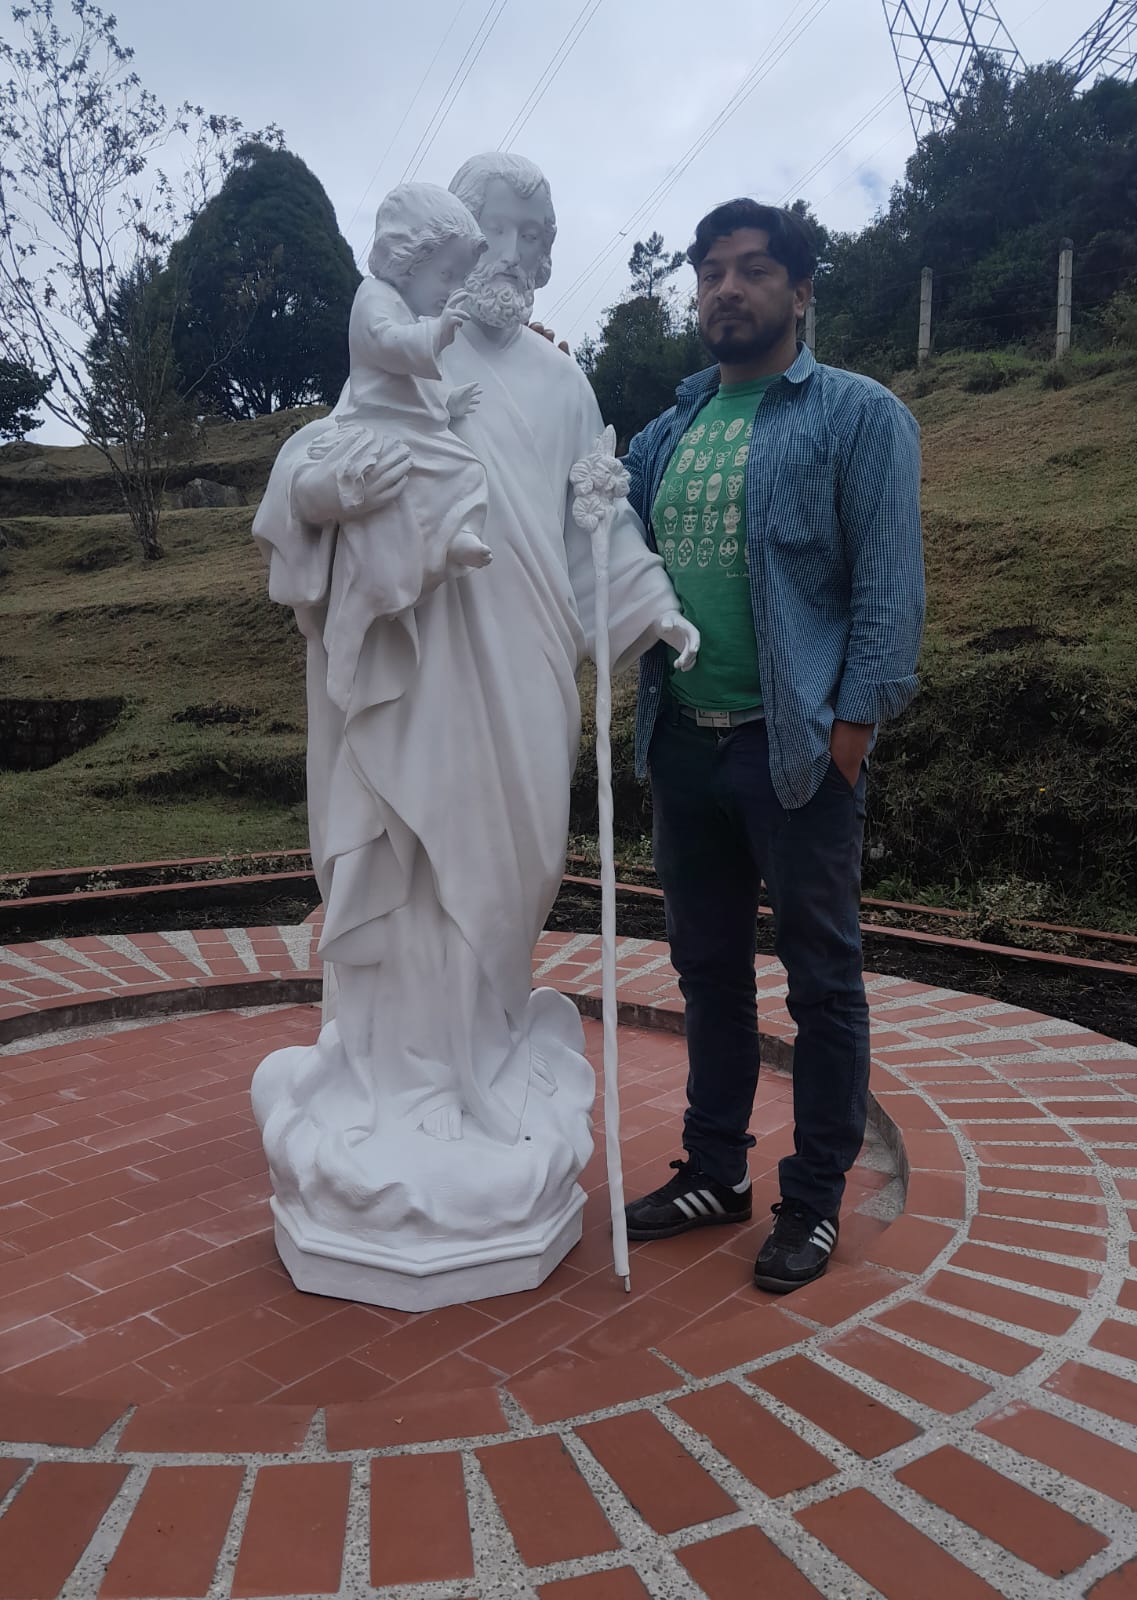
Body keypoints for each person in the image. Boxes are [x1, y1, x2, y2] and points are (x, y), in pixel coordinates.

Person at [250, 153, 699, 1271]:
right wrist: (324, 491)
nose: (514, 257)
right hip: (421, 656)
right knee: (412, 865)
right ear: (454, 237)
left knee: (510, 868)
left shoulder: (564, 383)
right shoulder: (401, 352)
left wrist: (653, 605)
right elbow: (315, 463)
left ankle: (488, 1053)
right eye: (497, 231)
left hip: (528, 666)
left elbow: (599, 525)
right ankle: (403, 1079)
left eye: (532, 238)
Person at [620, 197, 926, 1294]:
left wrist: (848, 736)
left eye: (752, 270)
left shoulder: (857, 416)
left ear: (799, 291)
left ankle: (813, 1199)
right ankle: (715, 1171)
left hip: (792, 751)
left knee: (822, 984)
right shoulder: (665, 433)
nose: (726, 289)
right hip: (683, 745)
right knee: (706, 973)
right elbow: (598, 527)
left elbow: (888, 591)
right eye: (710, 272)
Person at [318, 181, 492, 709]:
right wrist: (437, 333)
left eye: (459, 278)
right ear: (407, 259)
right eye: (446, 275)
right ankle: (351, 631)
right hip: (374, 432)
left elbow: (415, 386)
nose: (451, 288)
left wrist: (448, 403)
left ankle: (453, 538)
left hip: (408, 429)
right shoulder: (374, 299)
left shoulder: (405, 309)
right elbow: (389, 348)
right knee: (424, 494)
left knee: (465, 469)